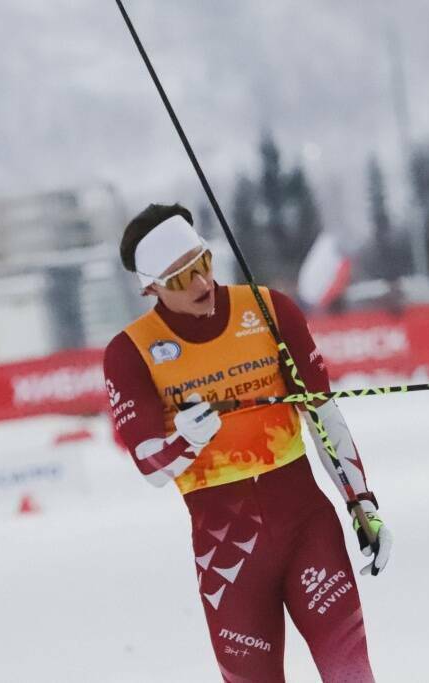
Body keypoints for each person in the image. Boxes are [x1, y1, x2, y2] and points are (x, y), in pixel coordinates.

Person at [103, 204, 391, 682]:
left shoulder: (269, 310)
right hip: (229, 557)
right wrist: (187, 441)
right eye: (179, 279)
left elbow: (323, 414)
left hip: (308, 531)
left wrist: (362, 504)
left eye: (203, 265)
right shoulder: (130, 352)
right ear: (149, 287)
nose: (200, 285)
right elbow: (151, 465)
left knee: (351, 676)